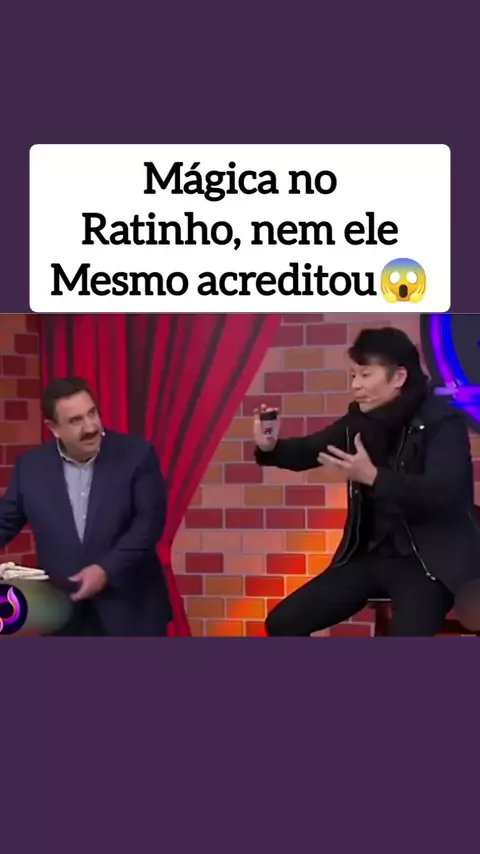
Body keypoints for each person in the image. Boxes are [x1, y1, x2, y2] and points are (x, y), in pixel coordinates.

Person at [254, 327, 480, 637]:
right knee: (282, 624)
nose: (355, 385)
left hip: (428, 562)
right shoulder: (359, 420)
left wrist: (374, 477)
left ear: (398, 377)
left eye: (365, 375)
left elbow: (444, 493)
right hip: (368, 555)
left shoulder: (442, 421)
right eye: (353, 376)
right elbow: (310, 450)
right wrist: (270, 447)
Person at [0, 377, 172, 636]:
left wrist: (106, 569)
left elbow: (149, 524)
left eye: (92, 413)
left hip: (132, 612)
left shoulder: (137, 456)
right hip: (63, 615)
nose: (91, 426)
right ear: (53, 428)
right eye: (76, 420)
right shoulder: (31, 467)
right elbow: (5, 521)